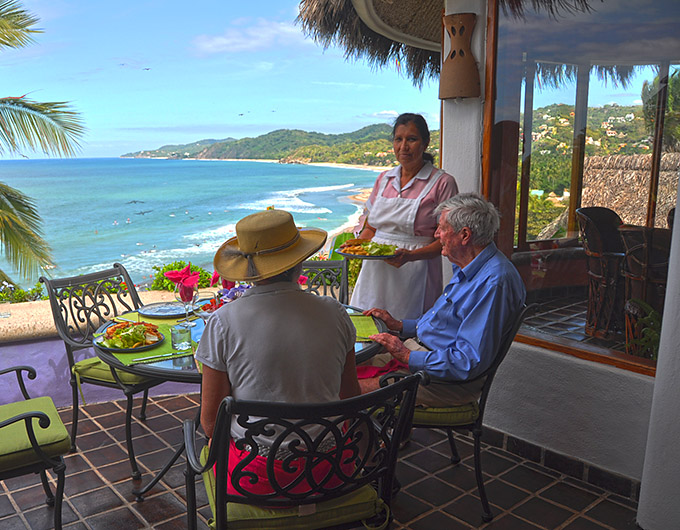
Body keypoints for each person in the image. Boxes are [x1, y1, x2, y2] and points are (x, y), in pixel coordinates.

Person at [195, 209, 360, 494]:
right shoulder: (336, 313)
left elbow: (211, 424)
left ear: (248, 270)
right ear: (300, 261)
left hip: (256, 479)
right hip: (331, 469)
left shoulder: (223, 322)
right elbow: (350, 398)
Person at [360, 193, 526, 406]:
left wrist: (406, 355)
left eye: (441, 228)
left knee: (352, 389)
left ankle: (363, 438)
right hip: (427, 358)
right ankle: (380, 436)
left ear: (464, 235)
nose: (437, 234)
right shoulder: (470, 265)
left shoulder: (493, 283)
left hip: (444, 383)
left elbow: (467, 362)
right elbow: (444, 325)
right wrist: (399, 325)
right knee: (348, 368)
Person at [350, 113, 459, 321]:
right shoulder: (384, 179)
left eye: (411, 139)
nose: (403, 146)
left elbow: (446, 240)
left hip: (417, 271)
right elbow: (371, 228)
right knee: (367, 328)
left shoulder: (443, 183)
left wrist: (410, 256)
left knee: (405, 335)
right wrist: (356, 248)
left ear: (425, 143)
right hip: (375, 270)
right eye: (398, 139)